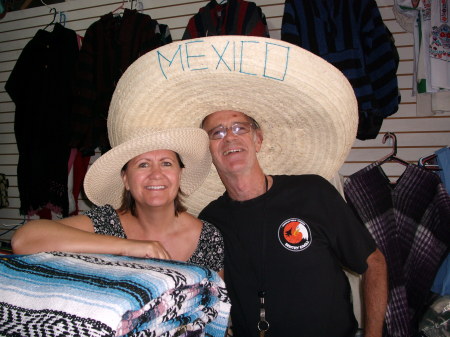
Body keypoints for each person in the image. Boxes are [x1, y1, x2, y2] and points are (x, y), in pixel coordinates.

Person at [87, 35, 389, 337]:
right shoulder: (209, 222)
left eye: (238, 128)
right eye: (216, 133)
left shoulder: (313, 193)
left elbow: (373, 263)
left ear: (257, 139)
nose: (229, 138)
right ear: (208, 149)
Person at [11, 127, 224, 277]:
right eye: (143, 165)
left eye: (166, 163)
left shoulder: (207, 238)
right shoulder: (107, 223)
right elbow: (23, 240)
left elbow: (214, 310)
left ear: (180, 175)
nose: (156, 174)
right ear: (126, 180)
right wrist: (128, 248)